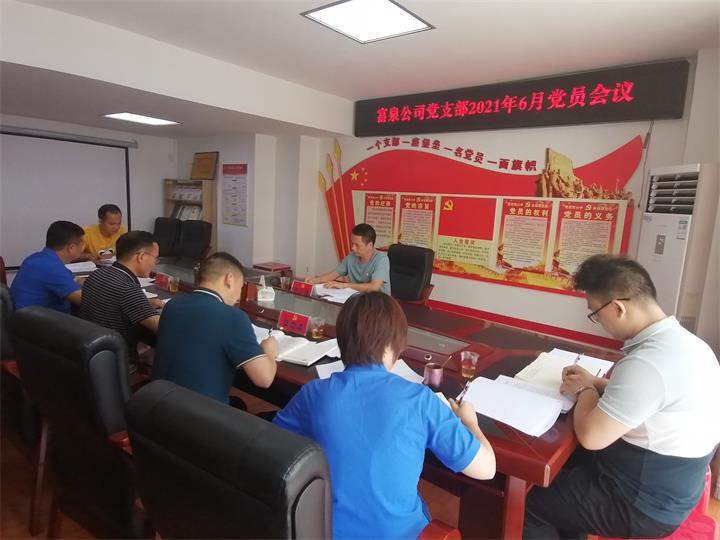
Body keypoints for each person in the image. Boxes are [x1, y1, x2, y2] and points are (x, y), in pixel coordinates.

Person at [524, 255, 720, 539]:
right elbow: (651, 400)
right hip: (672, 484)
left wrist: (585, 390)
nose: (597, 321)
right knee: (564, 467)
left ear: (618, 308)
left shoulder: (648, 363)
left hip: (641, 504)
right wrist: (596, 382)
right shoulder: (689, 345)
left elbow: (591, 436)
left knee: (528, 502)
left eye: (595, 313)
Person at [273, 292, 495, 539]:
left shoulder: (314, 393)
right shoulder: (420, 400)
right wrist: (470, 422)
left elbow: (275, 445)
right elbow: (487, 469)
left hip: (323, 530)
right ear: (392, 345)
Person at [153, 252, 278, 403]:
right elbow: (264, 379)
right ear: (229, 279)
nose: (239, 295)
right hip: (199, 412)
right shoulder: (232, 317)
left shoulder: (173, 305)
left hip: (160, 403)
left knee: (238, 403)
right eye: (241, 286)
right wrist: (269, 350)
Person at [80, 231, 162, 355]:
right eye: (155, 258)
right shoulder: (127, 288)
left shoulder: (97, 274)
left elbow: (114, 301)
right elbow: (163, 327)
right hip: (117, 356)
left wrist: (145, 303)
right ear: (141, 256)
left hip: (93, 349)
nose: (154, 263)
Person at [11, 221, 85, 313]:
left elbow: (75, 279)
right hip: (36, 321)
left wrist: (96, 282)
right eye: (83, 245)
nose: (83, 249)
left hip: (26, 316)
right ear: (71, 248)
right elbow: (86, 302)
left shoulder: (38, 258)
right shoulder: (52, 268)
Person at [305, 223, 391, 294]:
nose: (353, 248)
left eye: (357, 245)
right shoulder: (351, 257)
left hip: (379, 303)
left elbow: (374, 287)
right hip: (358, 299)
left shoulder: (382, 260)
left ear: (370, 245)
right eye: (352, 243)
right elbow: (333, 274)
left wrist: (344, 285)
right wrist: (314, 280)